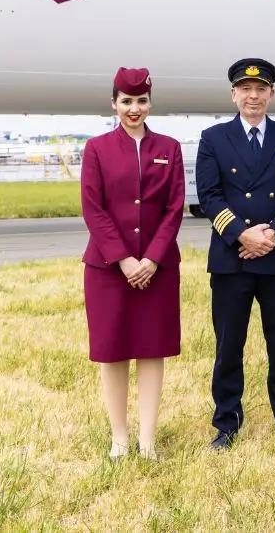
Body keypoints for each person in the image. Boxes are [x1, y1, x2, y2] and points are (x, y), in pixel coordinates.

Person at [196, 58, 275, 448]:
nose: (253, 96)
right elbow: (209, 196)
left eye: (261, 89)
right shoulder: (212, 138)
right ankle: (226, 424)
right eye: (245, 89)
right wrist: (241, 234)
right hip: (232, 259)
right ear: (233, 94)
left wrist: (274, 233)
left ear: (271, 94)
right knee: (229, 345)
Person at [79, 66, 184, 461]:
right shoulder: (97, 149)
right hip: (109, 269)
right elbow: (93, 208)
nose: (134, 109)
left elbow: (174, 209)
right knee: (113, 350)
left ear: (150, 103)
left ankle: (148, 438)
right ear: (114, 104)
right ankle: (119, 438)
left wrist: (152, 259)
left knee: (151, 349)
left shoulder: (169, 148)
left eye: (141, 101)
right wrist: (124, 259)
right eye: (126, 101)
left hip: (157, 268)